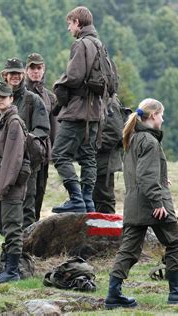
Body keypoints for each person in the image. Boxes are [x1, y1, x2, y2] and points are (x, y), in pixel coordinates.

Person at [105, 98, 178, 309]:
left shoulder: (134, 138)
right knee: (175, 244)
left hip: (134, 204)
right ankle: (176, 292)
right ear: (154, 115)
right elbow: (146, 177)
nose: (163, 119)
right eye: (162, 115)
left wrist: (162, 178)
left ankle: (113, 294)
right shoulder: (149, 141)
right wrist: (158, 201)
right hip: (152, 204)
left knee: (128, 250)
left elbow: (141, 173)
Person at [0, 58, 50, 229]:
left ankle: (26, 251)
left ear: (23, 75)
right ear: (4, 75)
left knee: (28, 208)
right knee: (3, 207)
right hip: (3, 163)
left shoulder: (33, 100)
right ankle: (10, 248)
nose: (15, 77)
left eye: (18, 73)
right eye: (11, 73)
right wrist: (0, 147)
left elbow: (42, 129)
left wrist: (22, 145)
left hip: (26, 164)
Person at [51, 6, 105, 213]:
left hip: (77, 111)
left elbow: (74, 77)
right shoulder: (99, 45)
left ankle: (76, 199)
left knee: (60, 154)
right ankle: (87, 201)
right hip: (95, 113)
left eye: (70, 23)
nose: (68, 28)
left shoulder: (81, 44)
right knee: (88, 156)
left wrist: (58, 84)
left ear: (78, 23)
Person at [0, 82, 27, 286]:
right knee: (5, 225)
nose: (0, 100)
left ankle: (12, 271)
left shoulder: (13, 123)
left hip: (11, 183)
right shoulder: (0, 120)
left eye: (4, 96)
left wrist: (6, 185)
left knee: (12, 226)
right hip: (2, 181)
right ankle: (8, 267)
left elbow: (14, 157)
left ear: (11, 99)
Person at [24, 52, 59, 220]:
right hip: (25, 153)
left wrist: (53, 152)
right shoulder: (20, 94)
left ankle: (33, 231)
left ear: (43, 69)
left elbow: (54, 128)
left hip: (43, 154)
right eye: (32, 68)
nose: (35, 72)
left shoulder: (50, 97)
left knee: (39, 194)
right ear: (26, 70)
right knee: (26, 196)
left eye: (38, 68)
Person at [92, 94, 130, 213]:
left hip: (105, 161)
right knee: (96, 199)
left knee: (104, 199)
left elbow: (115, 134)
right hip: (97, 159)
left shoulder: (110, 103)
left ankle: (107, 229)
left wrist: (91, 146)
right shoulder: (99, 100)